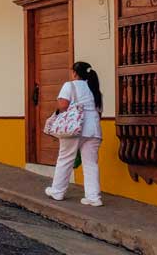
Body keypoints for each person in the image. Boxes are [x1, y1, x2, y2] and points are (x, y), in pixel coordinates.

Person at [45, 60, 104, 207]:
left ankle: (58, 191)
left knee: (65, 158)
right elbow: (100, 111)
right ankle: (93, 197)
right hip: (94, 129)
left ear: (75, 73)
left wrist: (58, 106)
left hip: (75, 128)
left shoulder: (70, 85)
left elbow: (63, 105)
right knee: (91, 163)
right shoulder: (95, 89)